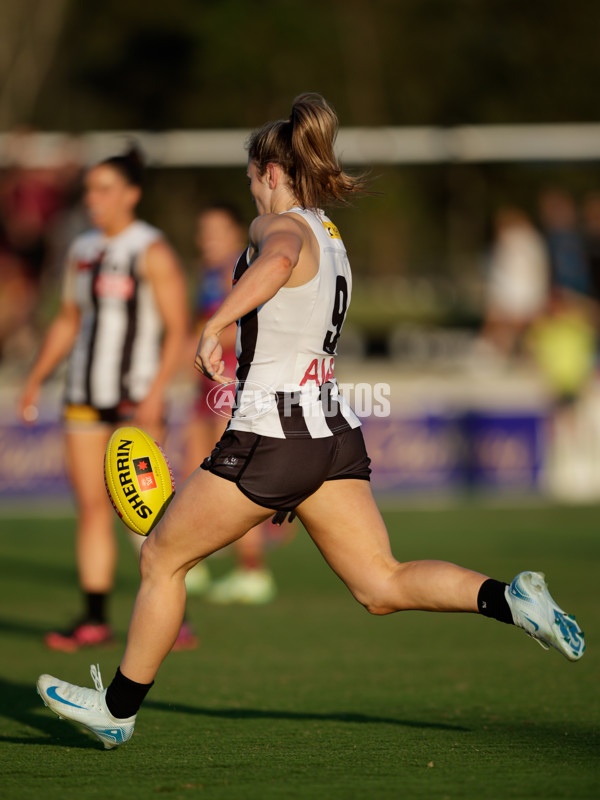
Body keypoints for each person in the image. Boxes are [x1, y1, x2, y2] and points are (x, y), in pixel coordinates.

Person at [36, 95, 585, 750]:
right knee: (380, 582)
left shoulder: (278, 227)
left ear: (270, 174)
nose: (251, 195)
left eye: (250, 180)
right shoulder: (331, 233)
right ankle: (509, 598)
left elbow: (274, 262)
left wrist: (213, 325)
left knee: (161, 556)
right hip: (330, 432)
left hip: (273, 432)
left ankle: (117, 710)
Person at [19, 144, 195, 651]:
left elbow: (179, 326)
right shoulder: (82, 250)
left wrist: (157, 393)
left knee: (145, 510)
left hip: (133, 397)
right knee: (92, 509)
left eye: (103, 188)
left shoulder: (151, 249)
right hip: (82, 396)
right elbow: (68, 320)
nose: (92, 197)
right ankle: (94, 617)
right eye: (89, 188)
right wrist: (36, 379)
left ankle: (170, 613)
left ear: (131, 194)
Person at [184, 203, 286, 604]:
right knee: (199, 473)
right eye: (203, 231)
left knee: (229, 479)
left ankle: (252, 568)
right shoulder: (207, 274)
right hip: (205, 386)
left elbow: (240, 328)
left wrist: (195, 340)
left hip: (231, 384)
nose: (207, 239)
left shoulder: (242, 270)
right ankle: (194, 559)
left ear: (234, 233)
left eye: (216, 231)